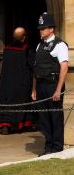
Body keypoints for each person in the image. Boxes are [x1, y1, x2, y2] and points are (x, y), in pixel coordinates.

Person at [32, 12, 68, 156]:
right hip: (41, 85)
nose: (41, 30)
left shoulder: (60, 45)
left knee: (55, 117)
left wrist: (58, 90)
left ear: (51, 29)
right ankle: (48, 148)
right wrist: (34, 88)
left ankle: (57, 148)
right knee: (44, 118)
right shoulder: (39, 46)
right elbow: (36, 68)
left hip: (53, 85)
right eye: (40, 28)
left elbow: (64, 68)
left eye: (43, 28)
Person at [0, 27, 36, 135]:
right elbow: (32, 65)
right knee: (20, 102)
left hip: (7, 81)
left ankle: (5, 126)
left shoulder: (6, 48)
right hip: (21, 82)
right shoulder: (26, 49)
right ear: (24, 37)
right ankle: (20, 125)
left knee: (7, 101)